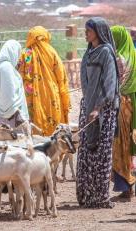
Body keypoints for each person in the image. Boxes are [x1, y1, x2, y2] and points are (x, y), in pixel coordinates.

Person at [76, 17, 119, 208]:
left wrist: (97, 108)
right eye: (85, 31)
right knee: (86, 152)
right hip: (88, 108)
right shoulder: (88, 53)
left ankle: (100, 196)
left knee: (101, 154)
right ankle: (86, 195)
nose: (85, 34)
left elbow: (109, 85)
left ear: (99, 32)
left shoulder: (106, 53)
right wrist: (88, 106)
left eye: (89, 31)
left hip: (103, 110)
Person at [19, 26, 70, 136]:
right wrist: (65, 99)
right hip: (52, 96)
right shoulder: (52, 52)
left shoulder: (25, 54)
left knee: (34, 130)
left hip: (30, 98)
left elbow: (19, 74)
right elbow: (62, 77)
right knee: (54, 127)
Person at [110, 25, 136, 200]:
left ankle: (126, 185)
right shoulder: (133, 55)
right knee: (128, 145)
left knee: (120, 145)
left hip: (121, 106)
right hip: (132, 104)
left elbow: (114, 85)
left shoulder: (119, 58)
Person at [0, 40, 29, 131]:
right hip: (12, 119)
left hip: (1, 116)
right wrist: (18, 116)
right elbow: (9, 96)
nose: (18, 58)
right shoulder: (6, 68)